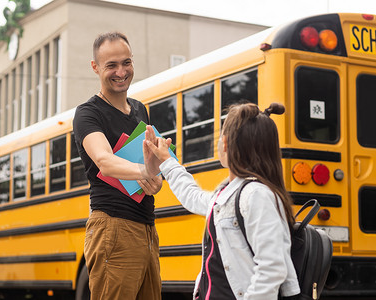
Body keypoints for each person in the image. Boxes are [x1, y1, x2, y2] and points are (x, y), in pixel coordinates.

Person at [143, 102, 301, 300]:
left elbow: (272, 269)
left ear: (225, 144)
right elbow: (193, 197)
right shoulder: (228, 194)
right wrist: (167, 162)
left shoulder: (256, 196)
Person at [73, 32, 162, 300]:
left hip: (147, 229)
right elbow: (104, 161)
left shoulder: (140, 110)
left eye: (126, 62)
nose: (121, 72)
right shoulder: (88, 113)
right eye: (111, 65)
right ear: (95, 67)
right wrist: (145, 171)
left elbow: (149, 167)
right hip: (112, 227)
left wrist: (155, 179)